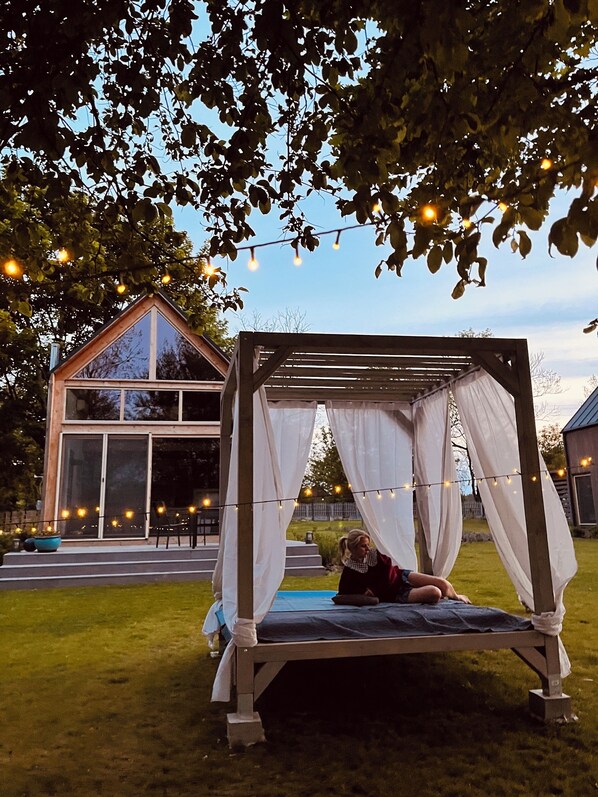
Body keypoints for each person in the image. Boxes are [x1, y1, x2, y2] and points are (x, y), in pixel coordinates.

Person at [338, 529, 471, 604]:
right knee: (434, 592)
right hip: (395, 593)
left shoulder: (373, 554)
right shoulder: (351, 570)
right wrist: (367, 594)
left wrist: (376, 587)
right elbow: (342, 594)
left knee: (442, 583)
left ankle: (456, 596)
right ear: (353, 548)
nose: (367, 548)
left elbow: (388, 570)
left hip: (401, 576)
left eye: (368, 545)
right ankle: (424, 592)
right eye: (363, 546)